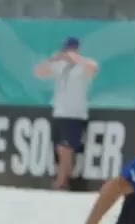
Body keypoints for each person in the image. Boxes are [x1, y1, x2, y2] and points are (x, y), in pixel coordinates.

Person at [33, 36, 100, 190]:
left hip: (75, 113)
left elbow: (93, 68)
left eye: (70, 49)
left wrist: (75, 58)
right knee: (60, 149)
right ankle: (64, 178)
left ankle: (61, 181)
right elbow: (39, 72)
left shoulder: (83, 65)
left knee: (66, 148)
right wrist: (53, 59)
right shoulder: (60, 66)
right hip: (60, 112)